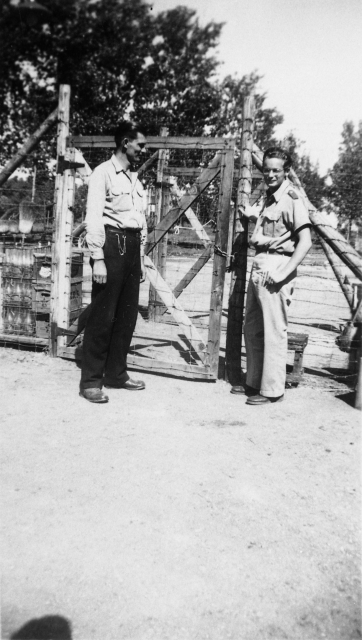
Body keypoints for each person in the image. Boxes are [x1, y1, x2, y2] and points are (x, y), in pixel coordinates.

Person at [232, 146, 312, 405]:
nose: (270, 174)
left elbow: (305, 242)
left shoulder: (291, 198)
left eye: (276, 170)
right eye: (266, 169)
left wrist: (283, 274)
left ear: (286, 171)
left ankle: (272, 390)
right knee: (253, 328)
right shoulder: (269, 197)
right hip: (260, 266)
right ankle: (254, 381)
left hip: (277, 268)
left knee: (274, 331)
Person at [79, 122, 148, 403]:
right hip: (111, 245)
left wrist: (140, 260)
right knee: (103, 316)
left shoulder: (134, 179)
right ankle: (92, 381)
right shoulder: (103, 173)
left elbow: (140, 224)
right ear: (125, 143)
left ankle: (116, 373)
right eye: (140, 145)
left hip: (131, 248)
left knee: (127, 316)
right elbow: (93, 217)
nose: (144, 150)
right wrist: (97, 259)